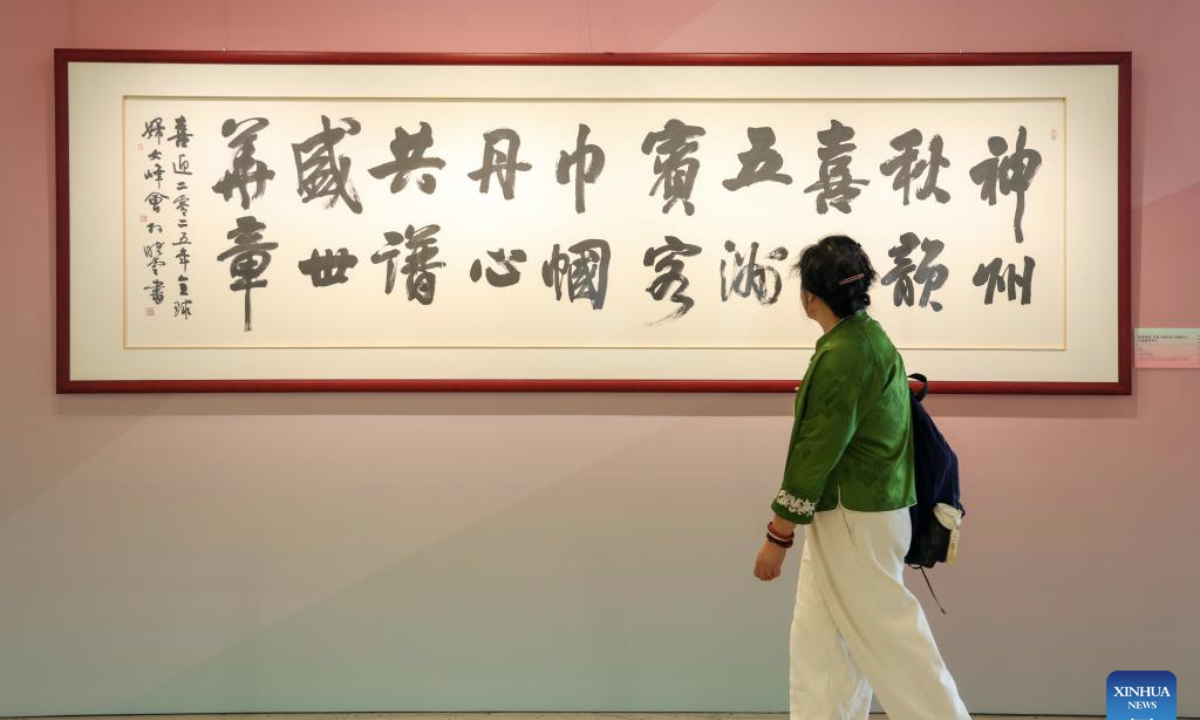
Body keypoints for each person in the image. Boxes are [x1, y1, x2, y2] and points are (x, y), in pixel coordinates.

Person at [752, 235, 971, 720]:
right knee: (821, 640)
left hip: (856, 518)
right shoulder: (865, 339)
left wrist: (778, 534)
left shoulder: (844, 355)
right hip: (857, 514)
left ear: (810, 295)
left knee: (894, 640)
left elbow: (816, 451)